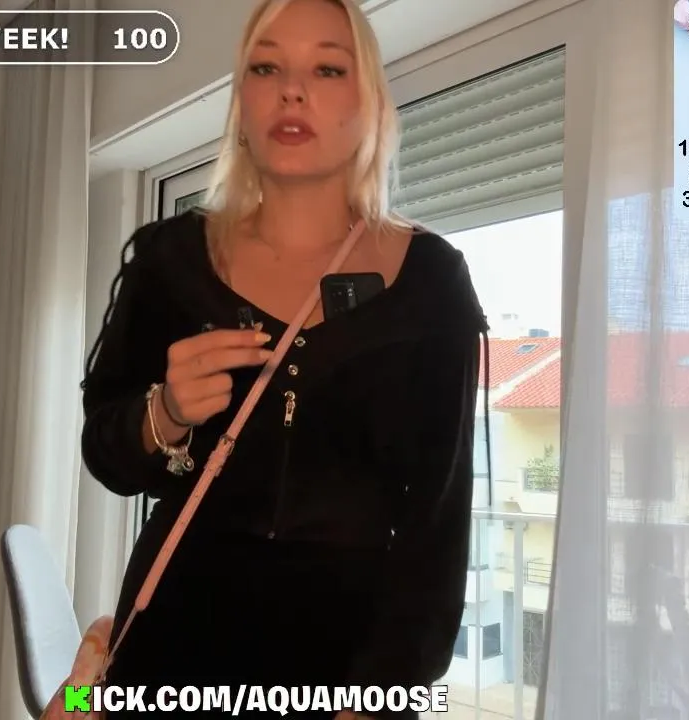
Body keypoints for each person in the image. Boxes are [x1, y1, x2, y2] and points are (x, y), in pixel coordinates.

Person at [79, 0, 491, 717]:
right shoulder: (169, 261)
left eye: (327, 69)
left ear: (369, 105)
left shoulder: (431, 280)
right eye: (266, 68)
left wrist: (379, 692)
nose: (292, 91)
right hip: (172, 644)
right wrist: (164, 413)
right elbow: (106, 455)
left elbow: (439, 524)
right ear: (242, 101)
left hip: (345, 668)